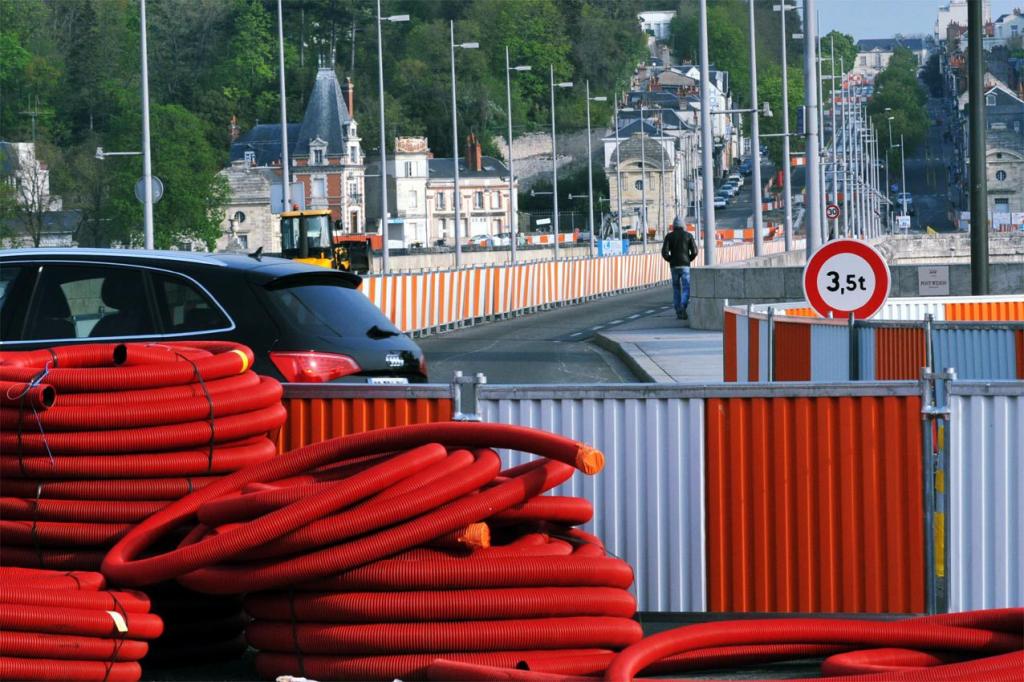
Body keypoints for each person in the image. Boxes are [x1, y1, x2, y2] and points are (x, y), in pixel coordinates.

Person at [661, 215, 699, 320]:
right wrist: (688, 259)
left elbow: (664, 252)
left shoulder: (669, 236)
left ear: (674, 226)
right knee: (686, 287)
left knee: (676, 288)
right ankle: (683, 306)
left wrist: (671, 259)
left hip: (674, 266)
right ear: (683, 225)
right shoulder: (688, 235)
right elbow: (695, 251)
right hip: (685, 265)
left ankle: (678, 310)